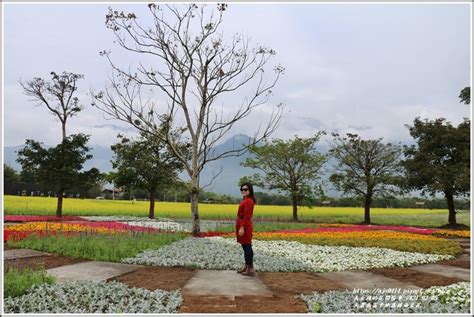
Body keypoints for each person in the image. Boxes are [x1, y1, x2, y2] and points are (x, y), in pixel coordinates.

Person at [236, 182, 256, 276]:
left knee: (247, 246)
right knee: (245, 246)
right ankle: (247, 266)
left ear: (250, 190)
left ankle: (250, 268)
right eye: (242, 189)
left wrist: (242, 227)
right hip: (242, 224)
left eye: (245, 189)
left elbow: (247, 216)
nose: (243, 191)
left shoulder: (248, 201)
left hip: (245, 225)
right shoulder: (246, 199)